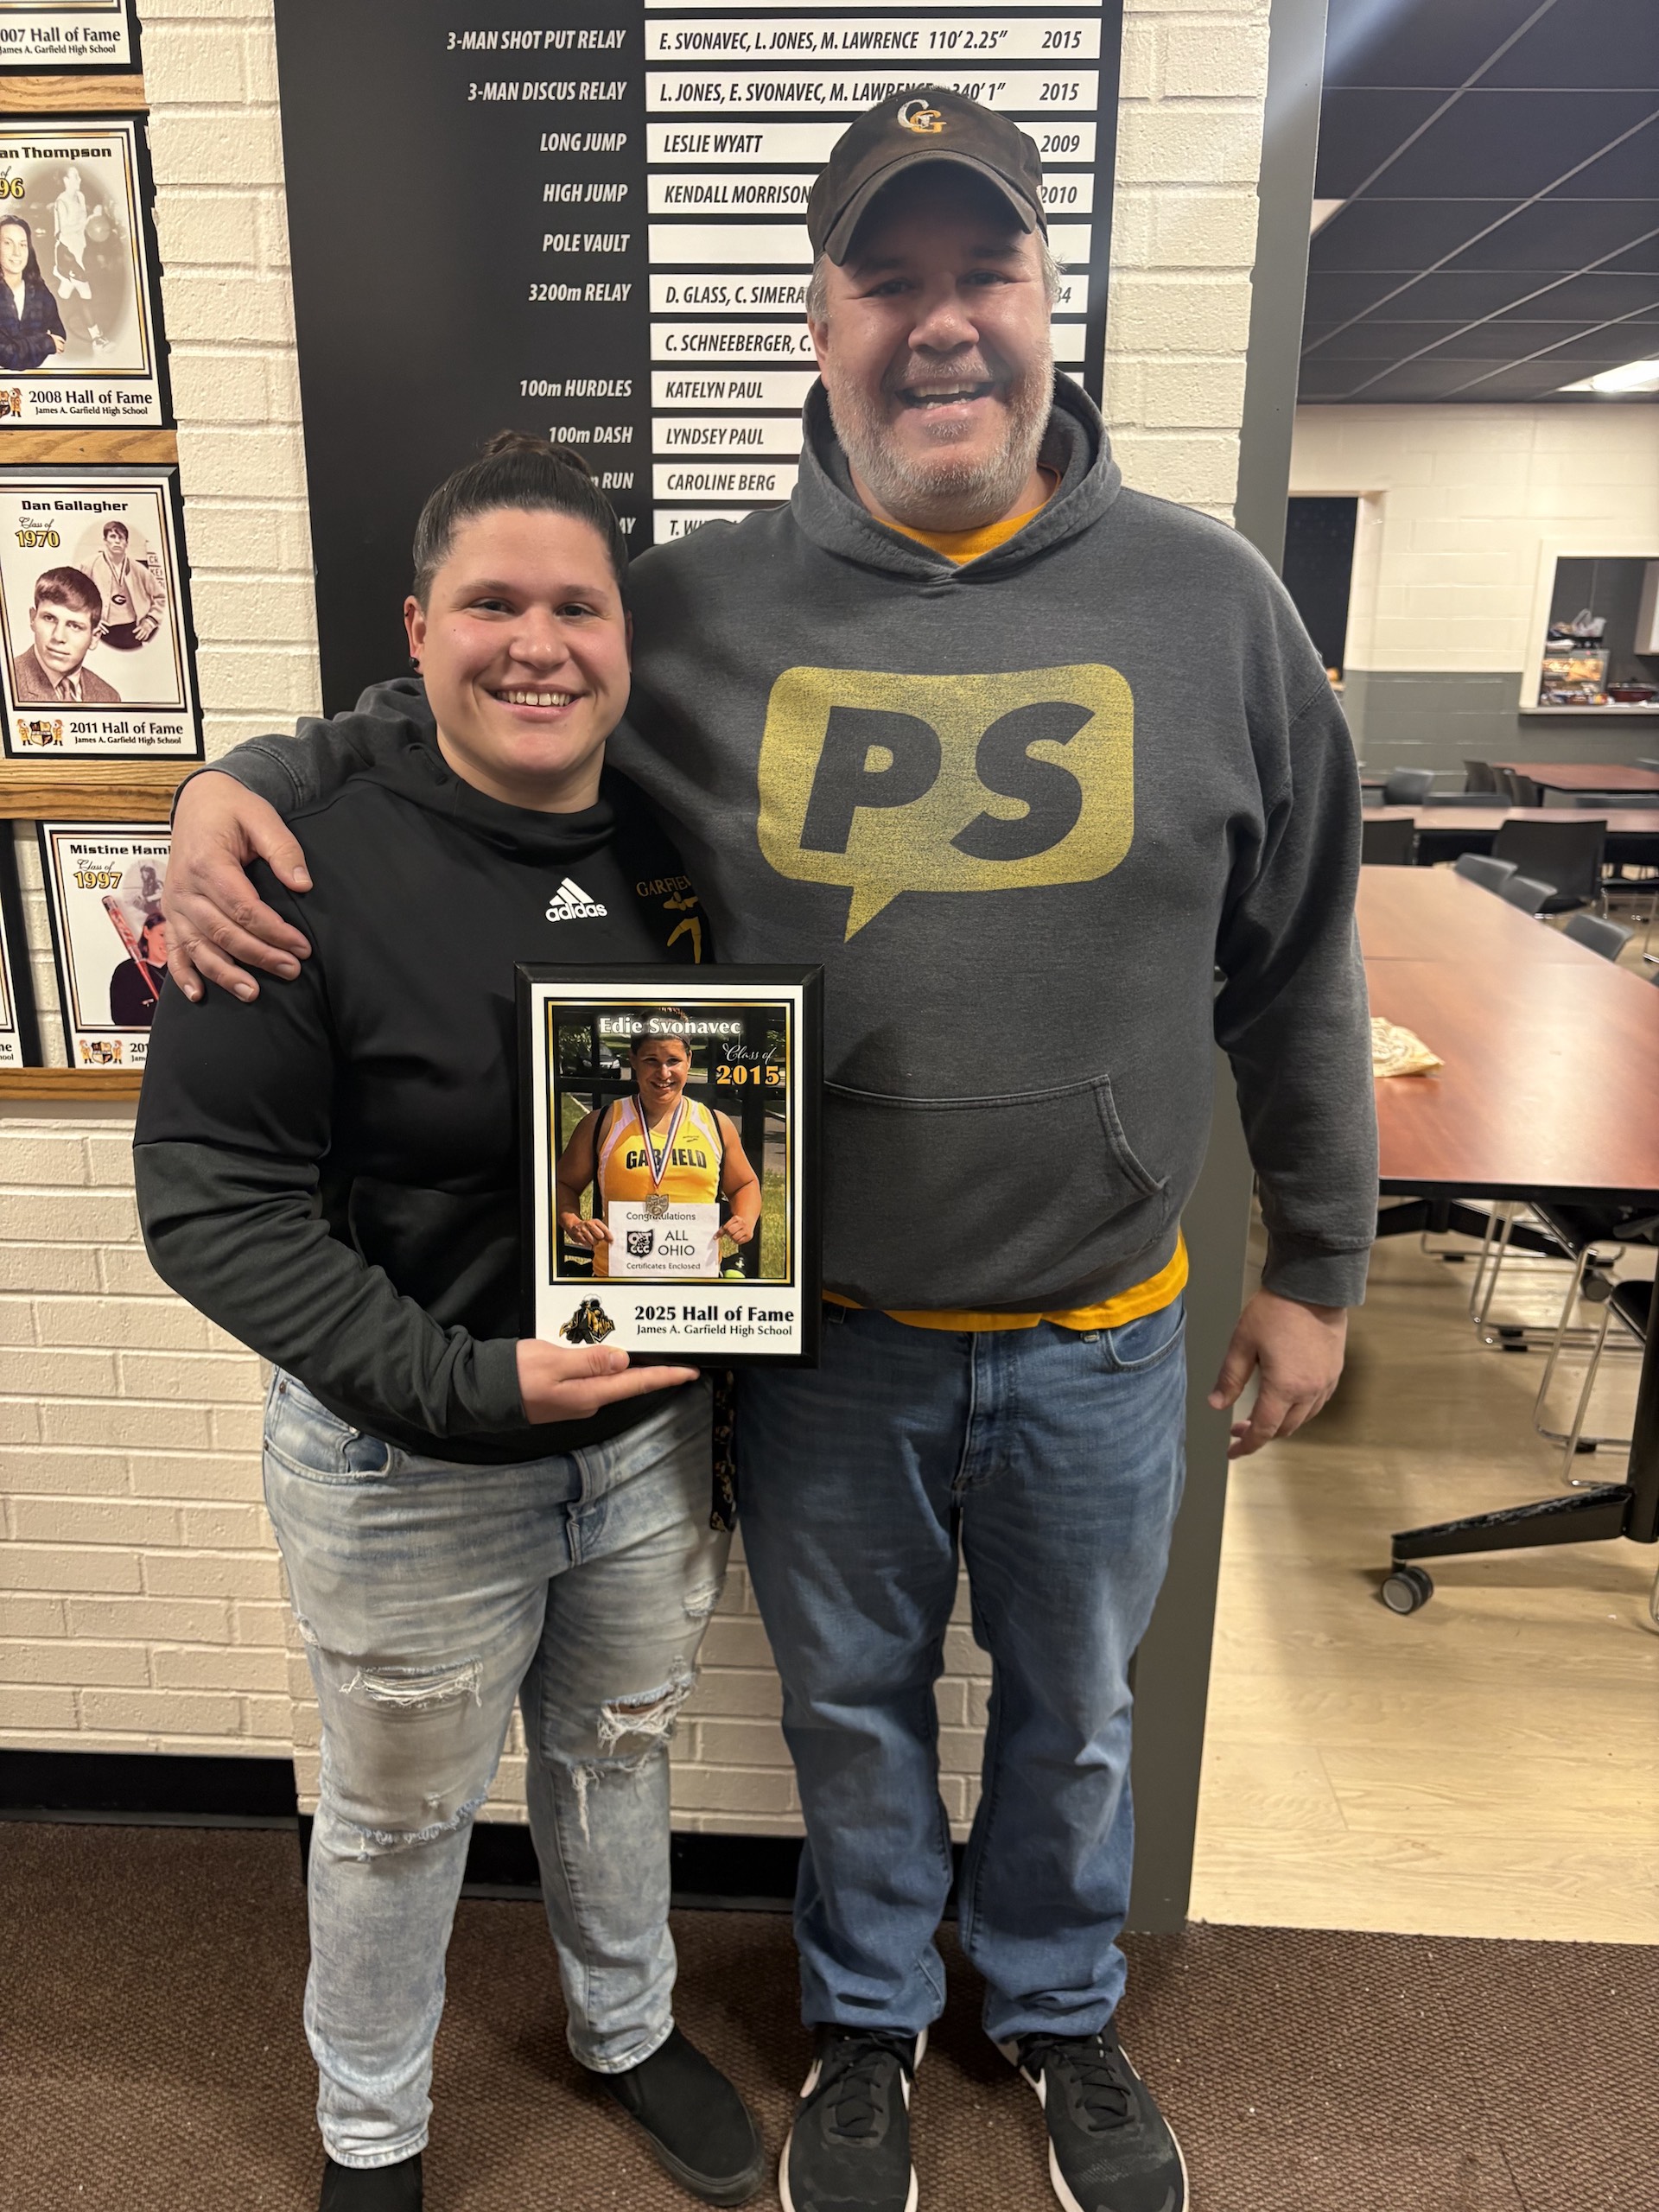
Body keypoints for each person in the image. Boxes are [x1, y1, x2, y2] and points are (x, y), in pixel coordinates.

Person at [162, 90, 1376, 2212]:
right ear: (815, 323)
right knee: (854, 1718)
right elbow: (471, 717)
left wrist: (1324, 1259)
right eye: (883, 282)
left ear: (1044, 297)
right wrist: (238, 772)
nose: (939, 327)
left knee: (1076, 1716)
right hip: (827, 1337)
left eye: (978, 274)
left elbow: (1301, 960)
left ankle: (1061, 2008)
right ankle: (872, 2026)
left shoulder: (1215, 604)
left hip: (1106, 1326)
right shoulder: (696, 610)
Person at [134, 435, 766, 2212]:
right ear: (416, 630)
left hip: (640, 1438)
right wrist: (462, 1381)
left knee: (622, 1754)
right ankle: (371, 2129)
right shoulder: (280, 862)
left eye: (577, 604)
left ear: (627, 638)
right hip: (403, 1459)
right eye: (491, 602)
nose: (536, 643)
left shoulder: (678, 835)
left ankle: (625, 2024)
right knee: (401, 1815)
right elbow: (207, 1199)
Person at [556, 1015, 763, 1281]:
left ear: (689, 1060)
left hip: (698, 1287)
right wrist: (574, 1222)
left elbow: (745, 1185)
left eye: (673, 1061)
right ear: (633, 1060)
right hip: (617, 1283)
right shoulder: (602, 1123)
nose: (663, 1073)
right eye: (651, 1061)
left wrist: (745, 1219)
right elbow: (563, 1184)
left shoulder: (715, 1124)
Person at [11, 566, 119, 703]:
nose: (58, 637)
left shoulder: (109, 697)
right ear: (33, 619)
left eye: (74, 626)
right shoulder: (6, 682)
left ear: (94, 638)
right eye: (49, 618)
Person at [49, 163, 110, 354]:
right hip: (66, 253)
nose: (80, 180)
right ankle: (96, 338)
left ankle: (39, 320)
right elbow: (63, 230)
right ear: (66, 180)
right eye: (75, 177)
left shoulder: (81, 197)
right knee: (86, 293)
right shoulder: (61, 202)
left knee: (65, 293)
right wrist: (91, 218)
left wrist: (94, 216)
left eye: (79, 176)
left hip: (79, 252)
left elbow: (86, 228)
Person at [82, 517, 165, 651]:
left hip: (131, 631)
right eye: (113, 536)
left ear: (126, 543)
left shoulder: (138, 569)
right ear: (105, 541)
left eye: (121, 538)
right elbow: (76, 598)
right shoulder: (89, 565)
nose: (117, 541)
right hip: (101, 630)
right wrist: (90, 621)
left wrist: (150, 621)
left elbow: (161, 596)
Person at [0, 211, 65, 371]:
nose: (17, 252)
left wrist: (20, 345)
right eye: (8, 243)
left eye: (22, 244)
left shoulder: (40, 292)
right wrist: (45, 342)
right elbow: (7, 355)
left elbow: (60, 336)